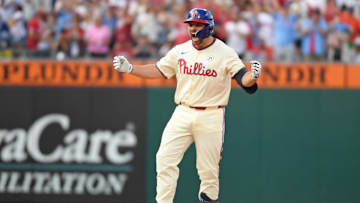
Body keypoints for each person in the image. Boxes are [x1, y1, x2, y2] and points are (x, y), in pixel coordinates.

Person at [113, 8, 262, 203]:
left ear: (208, 27)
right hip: (183, 111)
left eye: (197, 24)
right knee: (164, 159)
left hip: (211, 114)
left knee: (208, 170)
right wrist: (131, 68)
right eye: (190, 24)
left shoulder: (225, 52)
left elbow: (243, 79)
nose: (192, 28)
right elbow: (159, 69)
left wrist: (253, 76)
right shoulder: (181, 50)